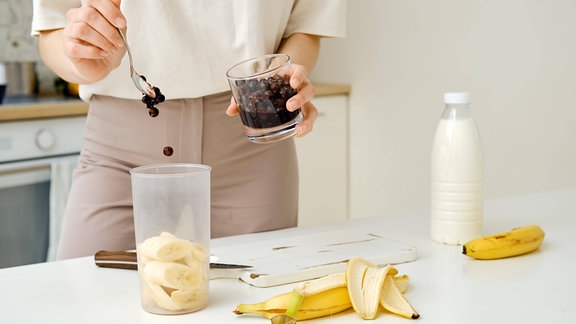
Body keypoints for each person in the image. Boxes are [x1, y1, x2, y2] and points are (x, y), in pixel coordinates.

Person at [31, 0, 347, 259]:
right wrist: (80, 60)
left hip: (250, 139)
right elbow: (52, 28)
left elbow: (307, 27)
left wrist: (284, 78)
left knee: (255, 299)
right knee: (87, 294)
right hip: (119, 149)